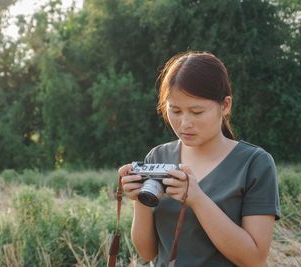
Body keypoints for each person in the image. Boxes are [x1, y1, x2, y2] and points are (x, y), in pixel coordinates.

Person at [118, 51, 280, 267]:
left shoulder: (254, 163)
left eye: (196, 112)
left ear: (225, 106)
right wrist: (141, 200)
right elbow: (147, 253)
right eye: (175, 110)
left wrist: (197, 199)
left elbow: (254, 259)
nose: (185, 123)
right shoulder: (158, 157)